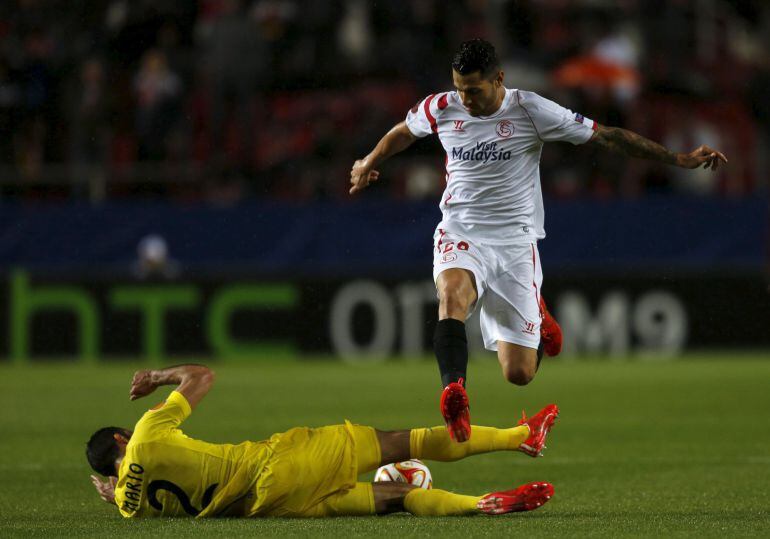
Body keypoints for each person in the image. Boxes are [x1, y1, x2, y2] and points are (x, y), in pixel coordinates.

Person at [348, 39, 727, 443]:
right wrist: (369, 160)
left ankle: (539, 316)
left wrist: (678, 159)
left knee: (519, 373)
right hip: (460, 230)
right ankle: (454, 393)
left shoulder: (531, 110)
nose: (465, 99)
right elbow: (405, 132)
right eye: (459, 88)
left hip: (514, 243)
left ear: (499, 79)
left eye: (473, 90)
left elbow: (606, 137)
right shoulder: (441, 107)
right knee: (451, 297)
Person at [86, 364, 559, 518]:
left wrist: (114, 495)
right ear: (122, 436)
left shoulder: (132, 505)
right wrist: (156, 377)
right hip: (275, 464)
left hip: (270, 506)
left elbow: (128, 490)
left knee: (396, 498)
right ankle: (522, 437)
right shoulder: (146, 434)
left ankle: (481, 504)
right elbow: (202, 376)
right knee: (403, 442)